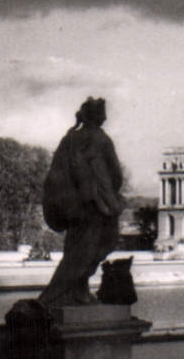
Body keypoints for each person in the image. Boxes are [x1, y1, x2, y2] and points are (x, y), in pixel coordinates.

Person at [39, 98, 126, 309]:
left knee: (78, 249)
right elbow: (115, 173)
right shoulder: (100, 138)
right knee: (96, 246)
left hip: (75, 206)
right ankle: (62, 293)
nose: (105, 116)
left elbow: (56, 174)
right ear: (98, 116)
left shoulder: (70, 138)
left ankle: (76, 290)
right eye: (102, 113)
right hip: (97, 205)